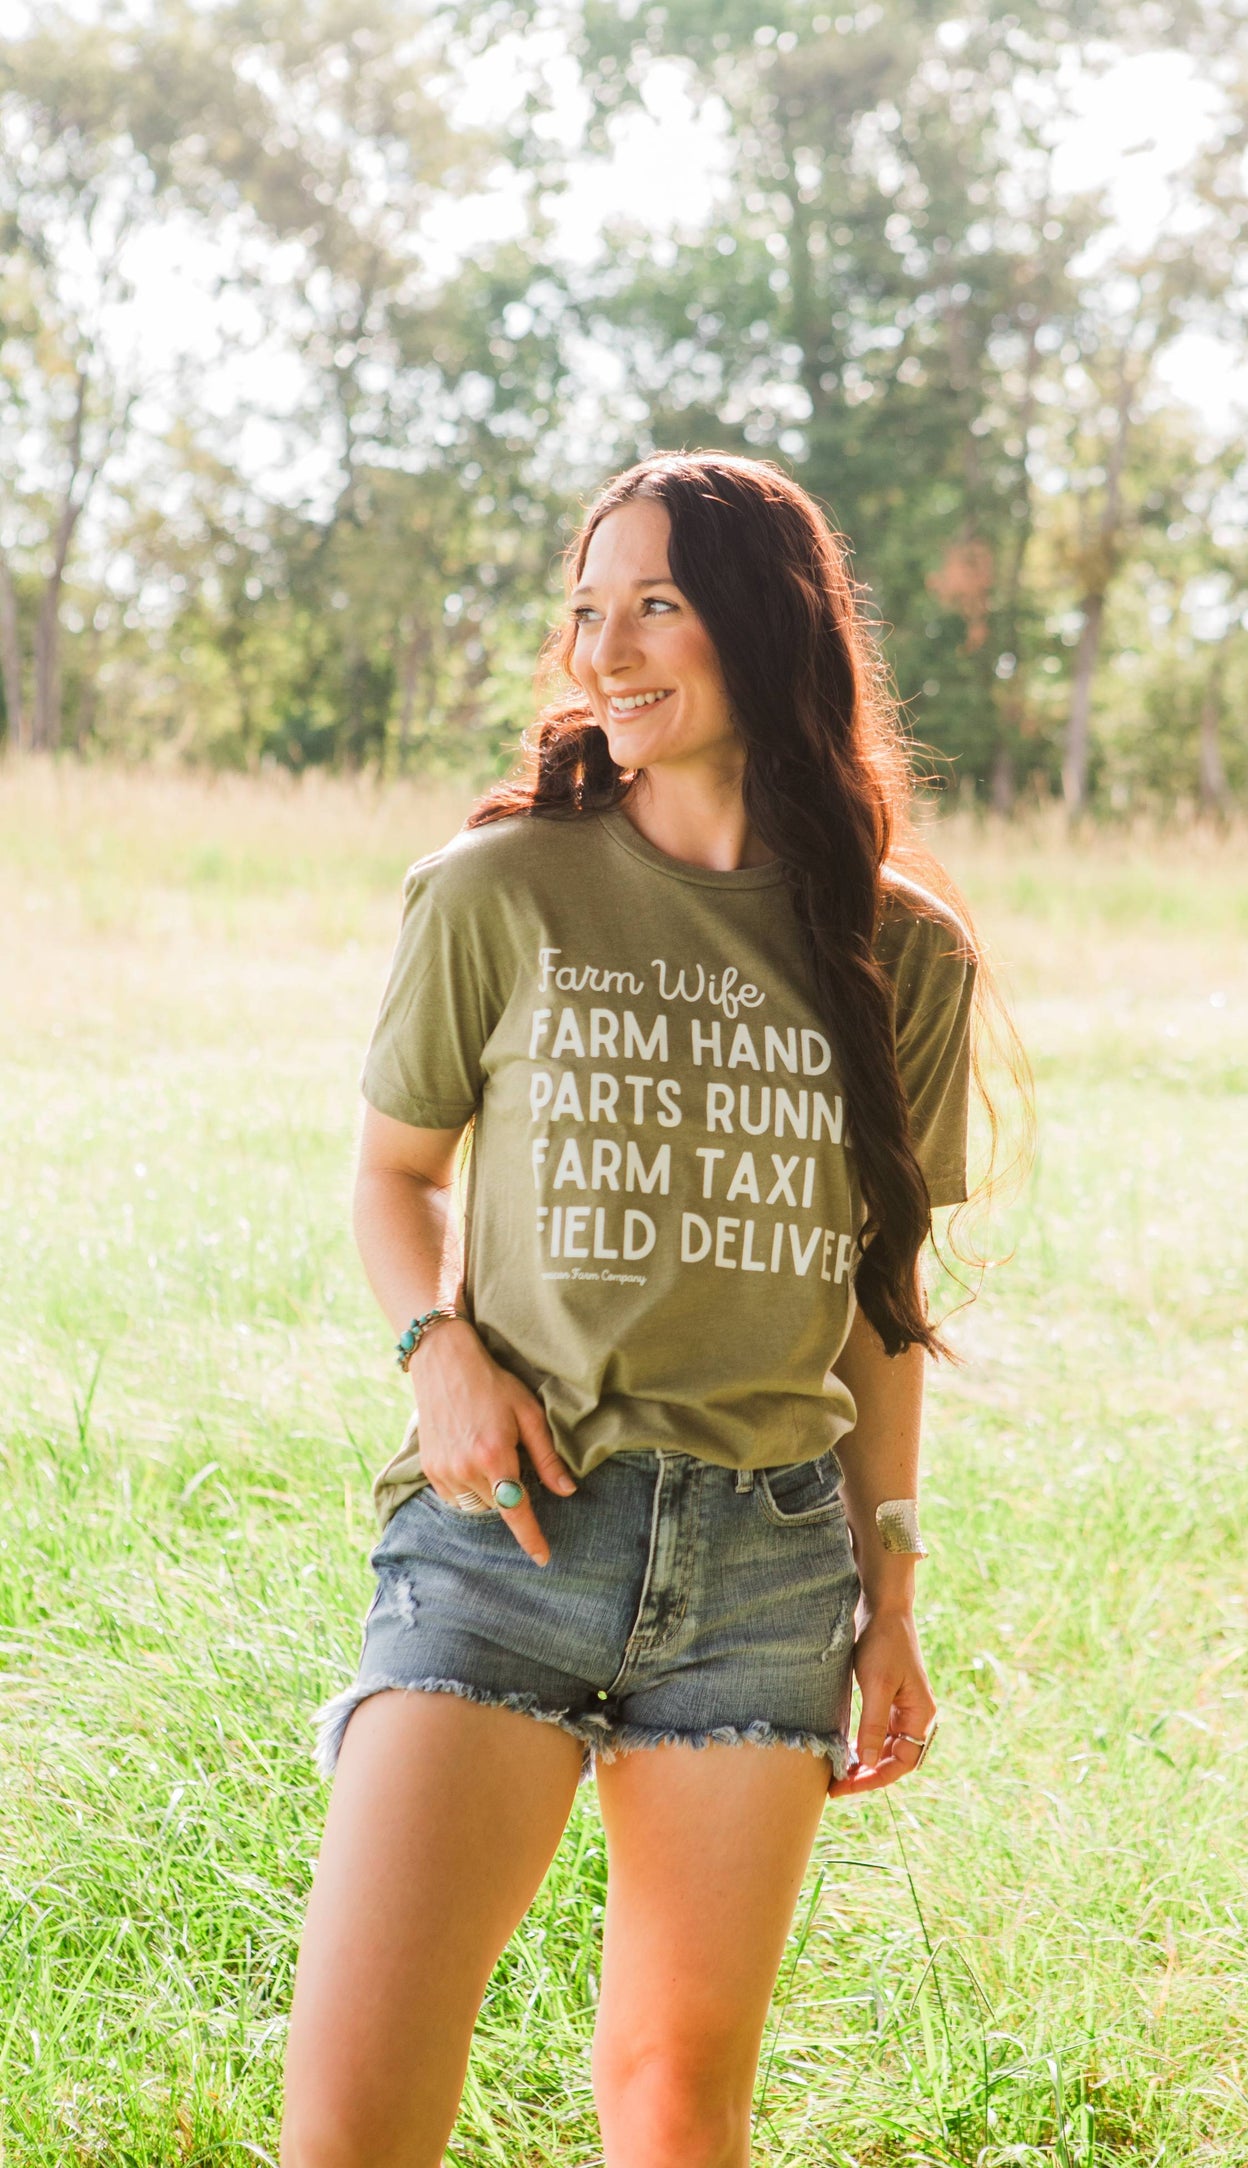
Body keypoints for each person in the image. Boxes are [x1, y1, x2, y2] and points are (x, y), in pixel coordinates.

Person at [280, 451, 1022, 2168]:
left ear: (766, 626)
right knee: (357, 2103)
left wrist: (891, 1585)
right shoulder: (498, 889)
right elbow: (392, 1174)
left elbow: (877, 1301)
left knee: (681, 2098)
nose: (604, 651)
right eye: (587, 609)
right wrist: (438, 1349)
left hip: (765, 1572)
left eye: (657, 604)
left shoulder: (899, 951)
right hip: (509, 1536)